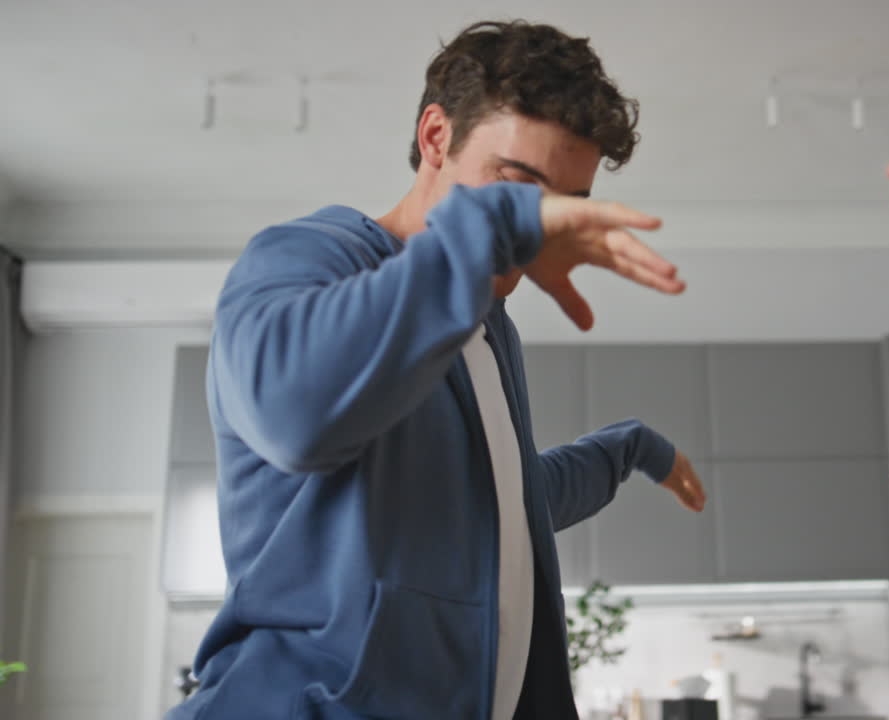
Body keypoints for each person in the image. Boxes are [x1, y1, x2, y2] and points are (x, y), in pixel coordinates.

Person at [167, 20, 707, 720]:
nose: (537, 225)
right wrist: (482, 241)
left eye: (559, 206)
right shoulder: (308, 259)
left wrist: (630, 448)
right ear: (435, 137)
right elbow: (294, 417)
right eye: (517, 190)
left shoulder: (484, 327)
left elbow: (502, 501)